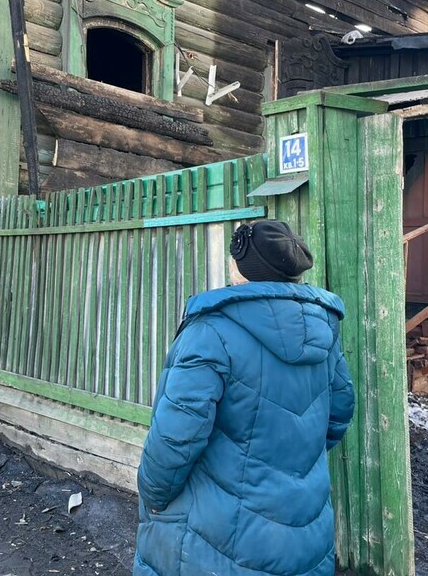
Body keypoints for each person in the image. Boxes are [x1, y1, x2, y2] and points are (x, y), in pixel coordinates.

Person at [134, 220, 355, 576]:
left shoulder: (210, 332)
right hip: (305, 527)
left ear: (243, 269)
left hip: (218, 540)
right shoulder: (322, 331)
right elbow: (340, 413)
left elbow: (175, 437)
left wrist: (153, 496)